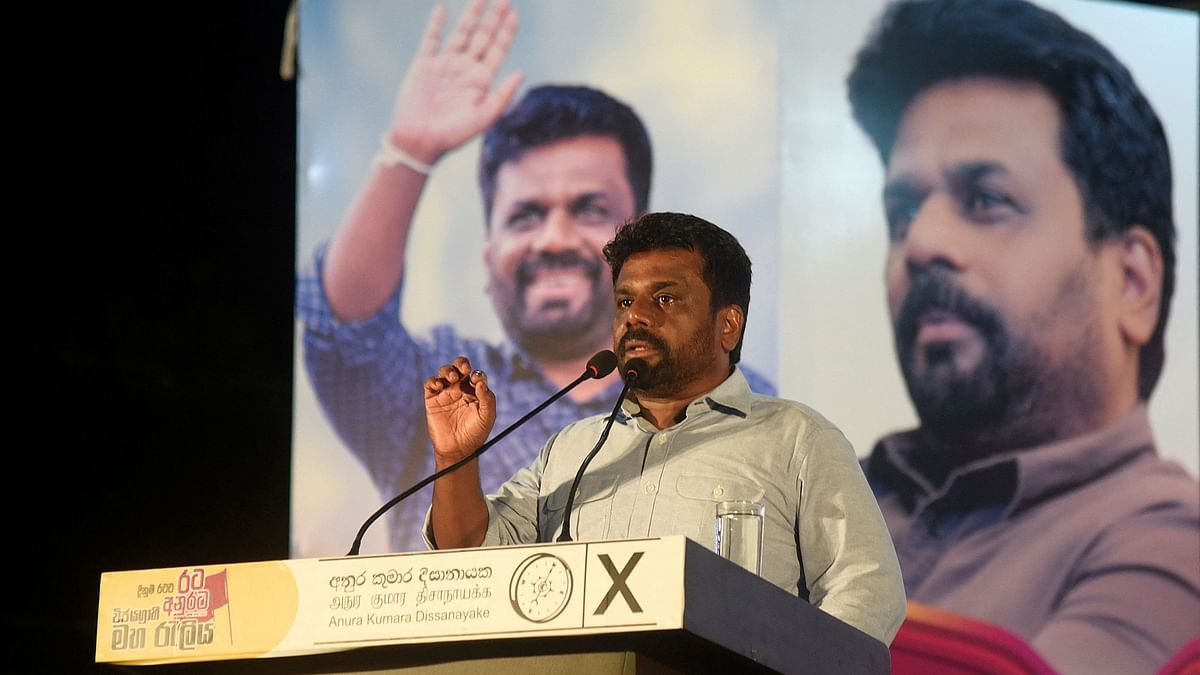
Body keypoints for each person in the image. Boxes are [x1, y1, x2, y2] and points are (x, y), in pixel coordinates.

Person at [295, 0, 777, 552]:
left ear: (638, 243)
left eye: (590, 208)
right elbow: (340, 327)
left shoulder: (749, 407)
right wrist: (410, 152)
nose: (553, 238)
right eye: (526, 215)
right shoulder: (439, 387)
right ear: (487, 256)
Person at [845, 0, 1200, 672]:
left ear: (1132, 283)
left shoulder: (1170, 541)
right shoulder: (818, 496)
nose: (920, 243)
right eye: (903, 210)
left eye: (986, 200)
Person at [421, 212, 906, 646]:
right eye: (625, 300)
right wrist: (454, 458)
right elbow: (470, 559)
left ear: (728, 326)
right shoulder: (572, 449)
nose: (636, 317)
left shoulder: (796, 438)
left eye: (666, 298)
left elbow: (866, 592)